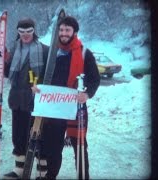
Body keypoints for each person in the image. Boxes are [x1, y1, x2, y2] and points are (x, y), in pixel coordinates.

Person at [32, 16, 100, 179]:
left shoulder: (84, 53)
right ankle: (50, 176)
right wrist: (36, 86)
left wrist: (87, 93)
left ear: (74, 32)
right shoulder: (51, 52)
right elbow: (40, 76)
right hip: (54, 108)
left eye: (67, 30)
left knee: (80, 146)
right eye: (61, 30)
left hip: (75, 107)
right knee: (53, 148)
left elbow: (94, 78)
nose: (63, 33)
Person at [0, 18, 50, 179]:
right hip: (17, 99)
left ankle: (42, 171)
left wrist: (42, 88)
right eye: (22, 32)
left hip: (37, 100)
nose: (25, 35)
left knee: (40, 135)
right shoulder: (13, 51)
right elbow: (5, 74)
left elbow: (51, 74)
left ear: (34, 31)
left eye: (29, 31)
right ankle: (19, 169)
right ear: (18, 33)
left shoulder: (45, 50)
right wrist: (0, 60)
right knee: (19, 135)